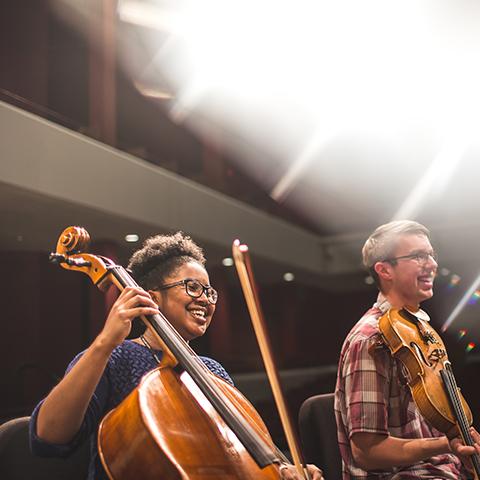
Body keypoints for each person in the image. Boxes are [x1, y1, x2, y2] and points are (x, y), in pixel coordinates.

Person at [30, 231, 322, 480]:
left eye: (210, 292)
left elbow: (239, 456)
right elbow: (48, 437)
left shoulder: (212, 372)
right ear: (152, 297)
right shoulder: (115, 357)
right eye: (192, 287)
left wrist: (282, 470)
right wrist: (104, 343)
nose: (205, 299)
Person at [334, 220, 480, 479]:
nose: (432, 264)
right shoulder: (370, 339)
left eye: (431, 255)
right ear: (384, 270)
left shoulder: (419, 330)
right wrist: (448, 444)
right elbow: (367, 451)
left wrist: (464, 450)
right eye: (418, 256)